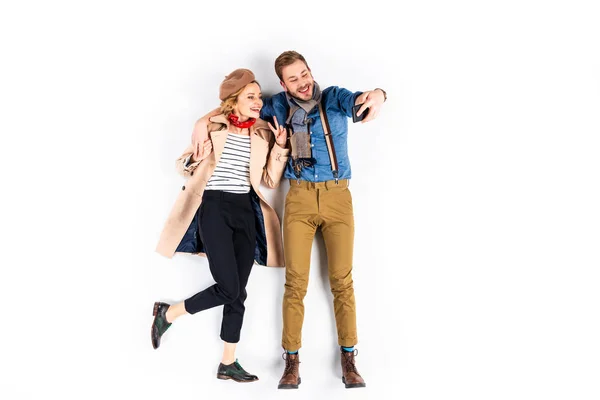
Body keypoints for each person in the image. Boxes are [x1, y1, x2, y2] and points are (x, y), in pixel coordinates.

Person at [192, 51, 387, 389]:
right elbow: (239, 106)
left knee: (342, 281)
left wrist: (380, 94)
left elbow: (361, 101)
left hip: (338, 197)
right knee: (295, 284)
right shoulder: (277, 105)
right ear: (282, 84)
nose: (302, 82)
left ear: (311, 71)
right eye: (293, 78)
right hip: (297, 198)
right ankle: (292, 362)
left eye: (304, 73)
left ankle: (349, 359)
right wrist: (201, 121)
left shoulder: (334, 97)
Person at [153, 68, 290, 383]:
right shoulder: (213, 126)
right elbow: (182, 166)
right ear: (235, 100)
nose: (258, 102)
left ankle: (228, 361)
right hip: (213, 208)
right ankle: (168, 314)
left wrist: (280, 148)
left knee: (237, 292)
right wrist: (196, 159)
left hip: (245, 211)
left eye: (258, 96)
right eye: (250, 96)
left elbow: (269, 179)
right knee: (229, 287)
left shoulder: (263, 132)